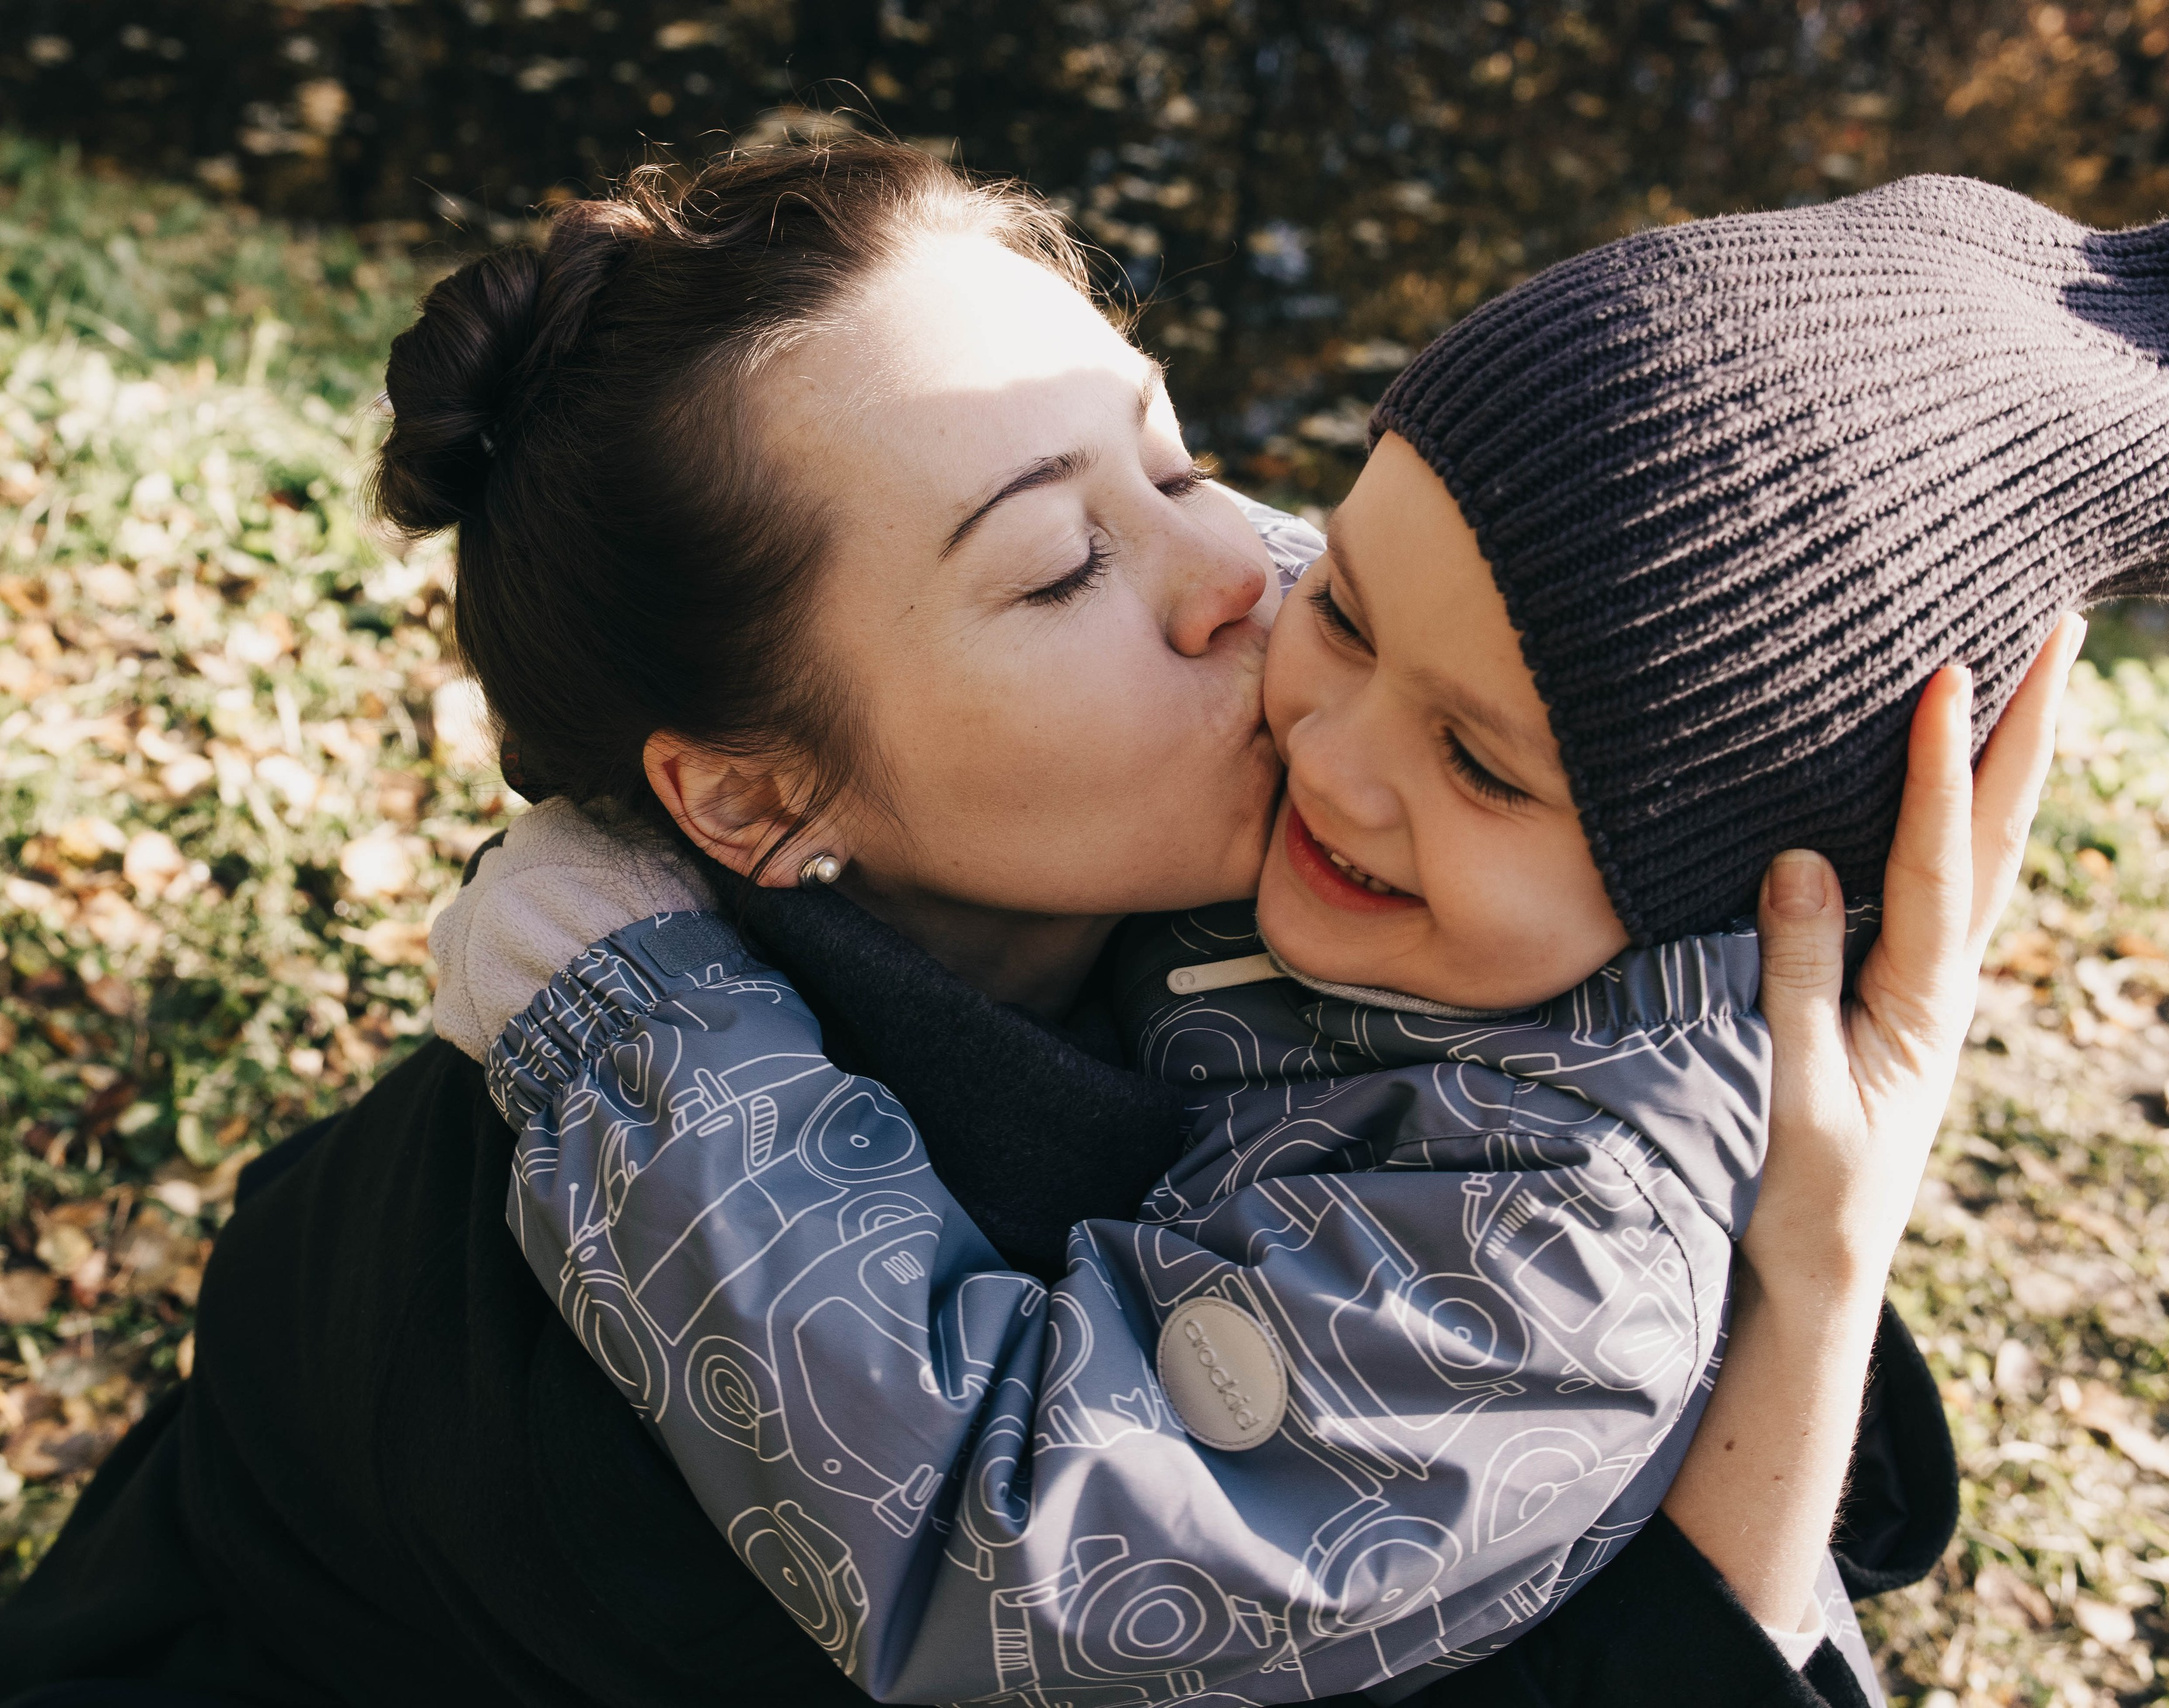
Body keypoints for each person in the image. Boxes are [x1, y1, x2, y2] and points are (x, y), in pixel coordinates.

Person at [0, 139, 2050, 1708]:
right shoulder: (654, 1390)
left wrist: (1817, 1235)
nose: (1241, 574)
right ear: (750, 793)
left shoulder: (1250, 905)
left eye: (1167, 451)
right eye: (1064, 561)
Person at [445, 176, 2169, 1704]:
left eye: (1179, 460)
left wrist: (651, 1024)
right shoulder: (1431, 737)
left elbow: (1014, 1520)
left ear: (1699, 864)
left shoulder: (1539, 1237)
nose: (1291, 669)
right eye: (1350, 596)